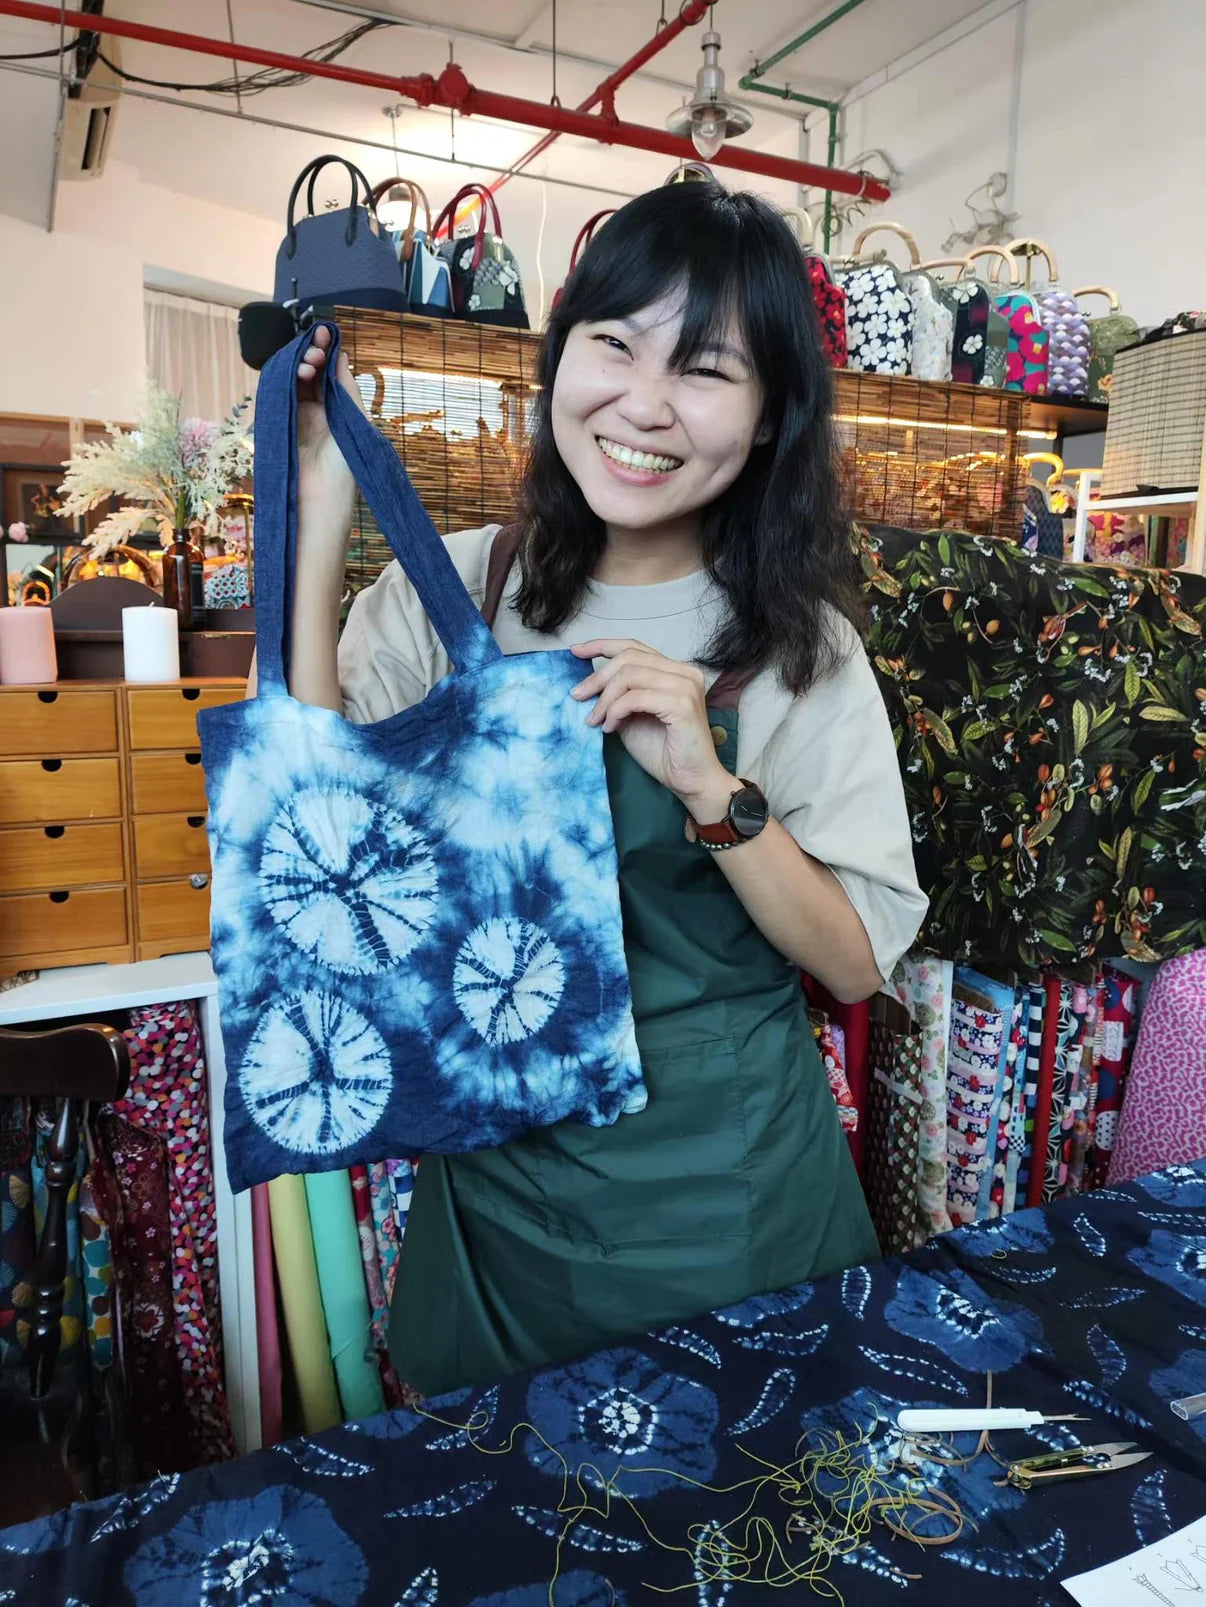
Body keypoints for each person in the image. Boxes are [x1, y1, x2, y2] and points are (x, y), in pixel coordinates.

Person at [285, 181, 927, 1400]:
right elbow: (325, 818)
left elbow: (853, 962)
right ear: (559, 357)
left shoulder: (803, 649)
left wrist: (710, 782)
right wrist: (326, 504)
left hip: (726, 1198)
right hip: (497, 1186)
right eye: (614, 343)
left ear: (771, 413)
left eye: (703, 369)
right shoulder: (463, 584)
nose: (642, 403)